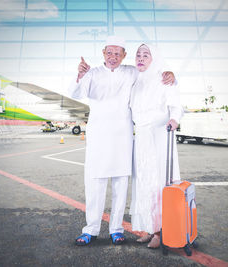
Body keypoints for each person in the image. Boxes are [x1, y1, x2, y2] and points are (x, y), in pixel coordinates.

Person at [69, 36, 175, 246]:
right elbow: (76, 93)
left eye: (118, 53)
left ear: (124, 55)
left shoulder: (131, 72)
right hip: (99, 137)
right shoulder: (92, 73)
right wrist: (80, 74)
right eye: (109, 52)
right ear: (103, 53)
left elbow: (153, 73)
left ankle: (116, 229)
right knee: (95, 184)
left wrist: (171, 74)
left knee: (120, 184)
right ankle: (90, 229)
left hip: (123, 137)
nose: (113, 57)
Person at [129, 44, 183, 248]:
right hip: (141, 136)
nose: (141, 58)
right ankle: (148, 228)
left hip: (160, 135)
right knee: (143, 182)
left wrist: (174, 119)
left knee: (159, 181)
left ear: (154, 58)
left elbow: (175, 105)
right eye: (138, 55)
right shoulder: (136, 81)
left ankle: (161, 231)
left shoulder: (164, 78)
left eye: (146, 55)